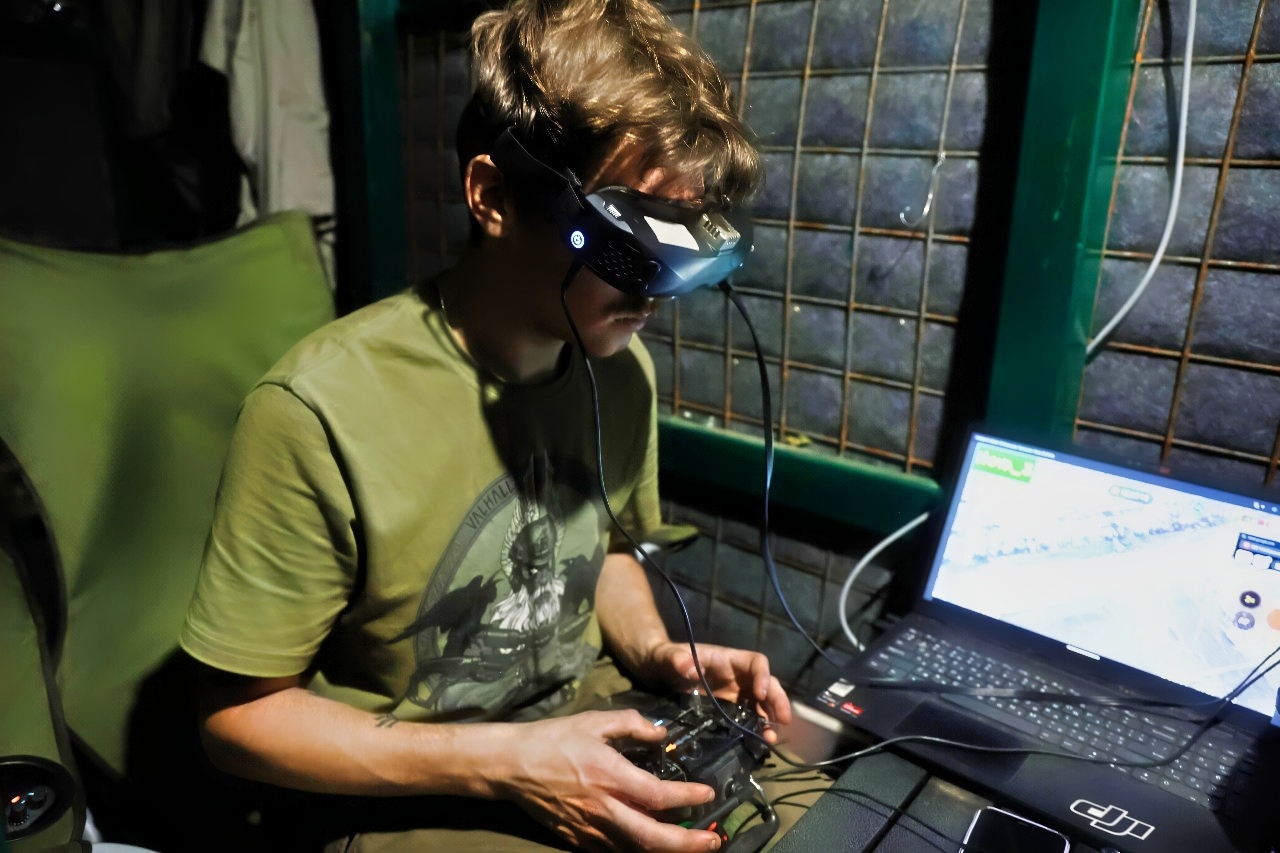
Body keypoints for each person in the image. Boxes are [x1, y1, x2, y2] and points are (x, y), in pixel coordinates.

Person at [180, 1, 801, 851]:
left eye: (681, 245)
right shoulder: (319, 411)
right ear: (494, 196)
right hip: (410, 786)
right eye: (627, 242)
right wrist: (508, 762)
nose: (655, 290)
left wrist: (659, 653)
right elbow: (237, 721)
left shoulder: (621, 372)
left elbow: (608, 545)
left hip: (579, 721)